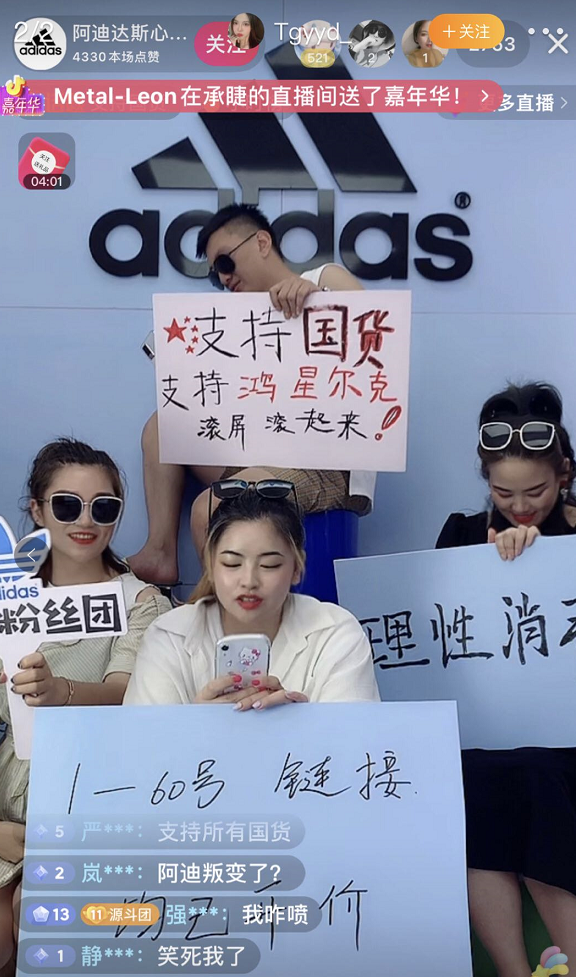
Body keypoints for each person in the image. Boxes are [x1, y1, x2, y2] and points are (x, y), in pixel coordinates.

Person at [129, 204, 377, 585]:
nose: (223, 277)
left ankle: (221, 608)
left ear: (261, 242)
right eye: (215, 273)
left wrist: (318, 300)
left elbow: (375, 334)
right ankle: (160, 552)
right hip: (256, 448)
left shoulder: (325, 277)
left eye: (225, 262)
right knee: (163, 426)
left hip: (325, 463)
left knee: (209, 509)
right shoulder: (235, 321)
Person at [0, 439, 171, 975]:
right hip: (6, 798)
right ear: (36, 510)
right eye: (67, 505)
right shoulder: (7, 598)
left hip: (91, 801)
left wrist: (61, 693)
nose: (86, 521)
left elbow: (125, 691)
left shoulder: (142, 602)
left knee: (39, 922)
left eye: (104, 507)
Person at [437, 383, 576, 977]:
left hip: (564, 735)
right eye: (503, 492)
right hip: (484, 731)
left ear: (564, 474)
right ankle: (513, 971)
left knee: (541, 776)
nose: (520, 507)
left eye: (536, 492)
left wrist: (543, 557)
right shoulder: (461, 534)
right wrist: (489, 567)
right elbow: (437, 634)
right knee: (475, 782)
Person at [125, 484, 380, 707]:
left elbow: (351, 741)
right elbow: (145, 743)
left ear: (297, 568)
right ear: (210, 565)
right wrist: (199, 723)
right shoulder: (169, 636)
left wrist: (296, 724)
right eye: (232, 564)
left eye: (269, 565)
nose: (249, 581)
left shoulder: (335, 633)